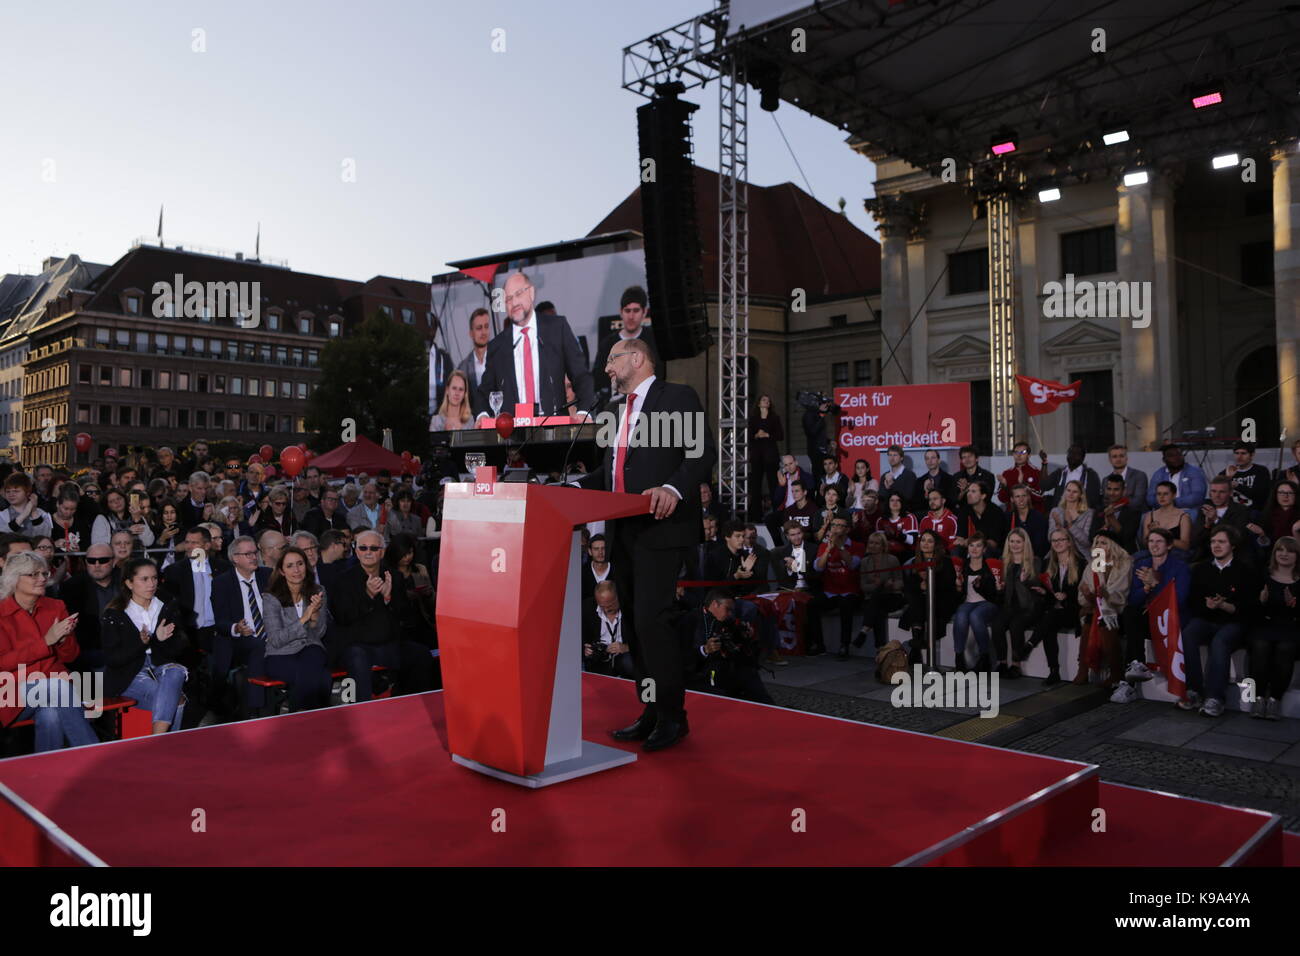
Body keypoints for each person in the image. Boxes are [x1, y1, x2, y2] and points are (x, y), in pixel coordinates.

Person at [576, 336, 714, 752]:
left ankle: (674, 717)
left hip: (660, 527)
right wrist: (565, 489)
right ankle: (651, 710)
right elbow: (609, 475)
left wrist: (673, 486)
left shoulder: (677, 396)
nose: (606, 369)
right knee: (636, 627)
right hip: (623, 532)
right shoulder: (615, 412)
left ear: (637, 357)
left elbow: (702, 452)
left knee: (655, 622)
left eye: (612, 360)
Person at [0, 551, 98, 752]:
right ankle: (93, 755)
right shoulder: (1, 613)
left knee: (51, 715)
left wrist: (62, 640)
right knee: (56, 687)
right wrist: (47, 642)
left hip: (54, 687)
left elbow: (70, 656)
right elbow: (4, 662)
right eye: (33, 574)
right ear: (14, 579)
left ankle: (46, 774)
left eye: (44, 574)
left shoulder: (56, 606)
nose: (42, 579)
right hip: (10, 692)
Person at [327, 529, 435, 701]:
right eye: (363, 548)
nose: (368, 552)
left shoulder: (394, 576)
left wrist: (388, 598)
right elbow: (342, 616)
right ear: (356, 551)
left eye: (373, 548)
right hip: (357, 645)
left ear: (382, 552)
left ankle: (410, 704)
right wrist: (368, 596)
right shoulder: (343, 580)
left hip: (388, 644)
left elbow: (406, 616)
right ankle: (363, 712)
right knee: (357, 658)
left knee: (421, 654)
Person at [475, 271, 596, 419]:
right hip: (514, 435)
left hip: (554, 430)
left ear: (531, 293)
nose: (514, 303)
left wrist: (583, 412)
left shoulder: (557, 328)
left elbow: (581, 376)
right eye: (508, 299)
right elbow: (483, 392)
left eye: (519, 294)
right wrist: (482, 415)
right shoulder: (497, 346)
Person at [101, 558, 189, 734]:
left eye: (154, 578)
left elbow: (180, 649)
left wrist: (161, 641)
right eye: (144, 579)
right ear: (129, 583)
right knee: (176, 699)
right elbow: (113, 659)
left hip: (162, 667)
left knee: (177, 671)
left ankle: (158, 742)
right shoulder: (115, 614)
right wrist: (143, 643)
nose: (151, 584)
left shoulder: (167, 606)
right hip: (128, 673)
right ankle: (165, 744)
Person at [1180, 526, 1258, 717]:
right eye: (1213, 541)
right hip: (1206, 618)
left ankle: (1215, 698)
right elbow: (1193, 601)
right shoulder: (1201, 568)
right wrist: (1208, 605)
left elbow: (1250, 607)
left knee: (1220, 641)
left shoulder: (1245, 570)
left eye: (1221, 542)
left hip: (1234, 622)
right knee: (1188, 634)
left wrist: (1226, 607)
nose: (1216, 545)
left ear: (1232, 545)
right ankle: (1194, 691)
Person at [1109, 528, 1191, 704]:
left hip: (1170, 618)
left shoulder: (1180, 567)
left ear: (1169, 545)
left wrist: (1156, 584)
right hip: (1146, 617)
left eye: (1159, 541)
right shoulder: (1142, 564)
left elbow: (1180, 599)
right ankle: (1137, 665)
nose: (1154, 545)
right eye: (1151, 541)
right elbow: (1133, 599)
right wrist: (1146, 588)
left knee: (1133, 621)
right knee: (1131, 613)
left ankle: (1128, 683)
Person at [261, 546, 334, 712]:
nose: (296, 570)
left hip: (310, 649)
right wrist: (304, 618)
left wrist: (315, 617)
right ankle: (315, 720)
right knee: (322, 677)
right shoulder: (271, 597)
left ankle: (298, 721)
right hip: (281, 655)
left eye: (300, 564)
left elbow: (319, 633)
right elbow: (276, 639)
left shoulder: (318, 591)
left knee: (313, 653)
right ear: (281, 571)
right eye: (290, 566)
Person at [210, 535, 273, 719]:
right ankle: (254, 709)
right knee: (257, 645)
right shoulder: (222, 583)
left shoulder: (267, 575)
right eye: (248, 554)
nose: (254, 557)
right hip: (238, 640)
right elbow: (220, 622)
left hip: (272, 635)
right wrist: (236, 628)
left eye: (255, 552)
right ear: (235, 558)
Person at [683, 590, 772, 704]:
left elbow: (744, 651)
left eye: (731, 610)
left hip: (728, 667)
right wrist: (704, 650)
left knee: (749, 675)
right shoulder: (690, 621)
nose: (730, 613)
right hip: (702, 672)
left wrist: (747, 637)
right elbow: (681, 656)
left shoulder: (729, 620)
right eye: (728, 609)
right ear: (715, 604)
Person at [1020, 529, 1083, 685]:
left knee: (1050, 617)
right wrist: (1044, 591)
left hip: (1073, 610)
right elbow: (1049, 592)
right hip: (1054, 610)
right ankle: (1053, 671)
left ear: (1069, 542)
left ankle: (1030, 644)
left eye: (1061, 540)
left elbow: (1083, 591)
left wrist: (1067, 596)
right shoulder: (1048, 563)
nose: (1058, 543)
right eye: (1054, 541)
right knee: (1049, 624)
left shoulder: (1080, 563)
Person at [1248, 537, 1299, 720]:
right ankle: (1258, 698)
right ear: (1274, 553)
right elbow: (1250, 608)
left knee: (1286, 648)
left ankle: (1275, 699)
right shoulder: (1263, 575)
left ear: (1297, 555)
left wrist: (1295, 605)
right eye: (1280, 550)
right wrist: (1261, 601)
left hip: (1291, 626)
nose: (1284, 554)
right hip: (1264, 624)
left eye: (1290, 551)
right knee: (1261, 646)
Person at [1076, 533, 1133, 689]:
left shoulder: (1124, 563)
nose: (1099, 545)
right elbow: (1082, 594)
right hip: (1095, 607)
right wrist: (1088, 595)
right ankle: (1083, 668)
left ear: (1113, 546)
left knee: (1105, 622)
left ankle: (1116, 672)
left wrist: (1106, 595)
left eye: (1104, 543)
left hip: (1116, 609)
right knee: (1089, 620)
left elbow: (1122, 593)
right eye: (1097, 542)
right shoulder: (1092, 565)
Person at [590, 285, 661, 402]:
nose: (631, 316)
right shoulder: (607, 343)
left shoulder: (652, 340)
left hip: (649, 401)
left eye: (636, 310)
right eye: (627, 311)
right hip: (614, 405)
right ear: (621, 312)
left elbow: (659, 373)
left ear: (644, 312)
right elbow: (598, 378)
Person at [992, 527, 1046, 677]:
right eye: (1012, 541)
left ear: (1025, 543)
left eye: (1018, 542)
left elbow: (1038, 586)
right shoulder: (1004, 562)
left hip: (1028, 607)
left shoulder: (1034, 561)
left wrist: (1026, 581)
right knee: (997, 625)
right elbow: (1001, 593)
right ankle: (1002, 662)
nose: (1015, 545)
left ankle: (1016, 665)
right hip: (1009, 606)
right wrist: (999, 589)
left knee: (1016, 624)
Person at [899, 530, 958, 666]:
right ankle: (918, 641)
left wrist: (931, 582)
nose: (925, 544)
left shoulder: (946, 562)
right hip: (920, 601)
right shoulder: (914, 561)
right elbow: (909, 588)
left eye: (930, 541)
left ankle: (915, 646)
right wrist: (921, 585)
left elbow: (949, 585)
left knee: (919, 605)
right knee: (917, 602)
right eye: (923, 540)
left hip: (942, 600)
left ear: (936, 545)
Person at [59, 543, 120, 672]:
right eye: (91, 561)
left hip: (124, 647)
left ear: (113, 561)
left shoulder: (126, 582)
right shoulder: (72, 587)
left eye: (103, 560)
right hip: (90, 652)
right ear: (85, 562)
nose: (96, 565)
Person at [810, 516, 862, 659]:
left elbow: (852, 564)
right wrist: (828, 550)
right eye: (833, 525)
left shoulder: (857, 546)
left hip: (849, 591)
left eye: (840, 525)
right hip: (830, 592)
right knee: (811, 604)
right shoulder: (823, 545)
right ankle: (819, 644)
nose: (836, 528)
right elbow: (818, 568)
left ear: (847, 529)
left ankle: (844, 645)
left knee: (846, 605)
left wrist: (840, 546)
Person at [951, 532, 1000, 672]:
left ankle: (984, 658)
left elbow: (994, 595)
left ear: (984, 549)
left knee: (975, 616)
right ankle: (959, 658)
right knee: (960, 616)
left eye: (978, 546)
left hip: (987, 603)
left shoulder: (990, 566)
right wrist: (959, 586)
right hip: (968, 602)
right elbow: (958, 595)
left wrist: (981, 586)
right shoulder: (963, 566)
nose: (974, 549)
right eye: (971, 545)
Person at [855, 531, 904, 649]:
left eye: (877, 543)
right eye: (871, 543)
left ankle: (865, 630)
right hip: (873, 599)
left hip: (891, 597)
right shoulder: (865, 562)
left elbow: (900, 583)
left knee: (877, 600)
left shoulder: (892, 560)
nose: (873, 545)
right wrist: (879, 585)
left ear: (883, 546)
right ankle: (881, 648)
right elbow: (863, 586)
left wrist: (891, 585)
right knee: (878, 608)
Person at [1190, 477, 1254, 563]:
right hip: (1206, 557)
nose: (1217, 495)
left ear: (1230, 493)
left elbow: (1237, 538)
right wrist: (1207, 526)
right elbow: (1195, 541)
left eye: (1222, 492)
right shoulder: (1204, 509)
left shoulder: (1241, 510)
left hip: (1234, 557)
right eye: (1213, 491)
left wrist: (1216, 519)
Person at [582, 580, 636, 679]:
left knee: (629, 663)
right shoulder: (586, 608)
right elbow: (574, 638)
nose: (606, 610)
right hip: (598, 661)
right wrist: (584, 649)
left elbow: (646, 640)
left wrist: (627, 647)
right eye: (602, 606)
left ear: (618, 597)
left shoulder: (632, 608)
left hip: (625, 658)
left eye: (610, 606)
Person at [1147, 444, 1208, 520]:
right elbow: (1150, 498)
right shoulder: (1159, 474)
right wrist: (1166, 505)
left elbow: (1197, 497)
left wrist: (1172, 502)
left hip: (1188, 511)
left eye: (1179, 454)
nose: (1176, 458)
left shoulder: (1195, 472)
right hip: (1164, 510)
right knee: (1146, 518)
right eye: (1171, 455)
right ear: (1164, 459)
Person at [1140, 481, 1193, 554]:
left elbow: (1185, 545)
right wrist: (1150, 536)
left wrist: (1163, 533)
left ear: (1174, 495)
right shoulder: (1149, 515)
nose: (1161, 497)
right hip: (1153, 551)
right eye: (1159, 494)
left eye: (1165, 494)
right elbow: (1145, 543)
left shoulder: (1183, 517)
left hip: (1175, 553)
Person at [1089, 475, 1139, 553]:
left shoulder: (1133, 512)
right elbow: (1091, 537)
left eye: (1116, 490)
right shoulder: (1099, 510)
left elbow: (1126, 538)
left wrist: (1111, 518)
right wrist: (1105, 527)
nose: (1112, 493)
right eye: (1109, 489)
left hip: (1124, 554)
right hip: (1102, 554)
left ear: (1124, 491)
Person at [954, 480, 1007, 554]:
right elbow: (960, 539)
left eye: (973, 491)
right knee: (956, 551)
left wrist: (971, 542)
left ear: (983, 496)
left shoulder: (996, 512)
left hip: (990, 550)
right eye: (968, 491)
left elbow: (993, 543)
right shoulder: (964, 511)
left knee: (988, 551)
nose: (969, 494)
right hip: (969, 548)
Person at [1044, 444, 1102, 510]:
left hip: (1082, 514)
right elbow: (1044, 486)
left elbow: (1093, 499)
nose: (1072, 456)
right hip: (1060, 513)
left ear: (1083, 457)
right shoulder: (1060, 472)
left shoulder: (1090, 475)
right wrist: (1044, 463)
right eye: (1070, 453)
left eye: (1076, 453)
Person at [1050, 480, 1093, 560]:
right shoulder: (1056, 511)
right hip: (1059, 554)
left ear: (1081, 495)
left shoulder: (1088, 513)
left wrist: (1071, 525)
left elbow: (1086, 542)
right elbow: (1050, 538)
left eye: (1075, 492)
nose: (1071, 494)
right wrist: (1058, 526)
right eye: (1068, 490)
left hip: (1081, 556)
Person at [1222, 442, 1271, 515]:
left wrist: (1238, 486)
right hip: (1232, 513)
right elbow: (1218, 495)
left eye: (1243, 453)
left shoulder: (1261, 471)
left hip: (1254, 511)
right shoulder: (1225, 472)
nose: (1239, 457)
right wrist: (1228, 478)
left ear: (1252, 455)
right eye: (1236, 453)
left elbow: (1261, 495)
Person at [997, 440, 1045, 513]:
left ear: (1029, 455)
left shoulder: (1037, 472)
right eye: (1016, 452)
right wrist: (1005, 485)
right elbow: (1002, 499)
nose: (1018, 455)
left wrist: (1023, 484)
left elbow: (1040, 496)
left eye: (1023, 452)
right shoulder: (1007, 473)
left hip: (1033, 515)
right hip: (1012, 515)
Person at [1, 473, 53, 538]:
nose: (11, 494)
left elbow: (45, 536)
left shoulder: (42, 514)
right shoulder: (2, 515)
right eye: (8, 491)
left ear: (27, 492)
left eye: (16, 491)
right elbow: (3, 536)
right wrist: (24, 514)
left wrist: (34, 511)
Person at [1006, 484, 1050, 558]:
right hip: (1013, 558)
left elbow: (1042, 545)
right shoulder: (1007, 518)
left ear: (1028, 497)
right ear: (1012, 499)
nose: (1021, 499)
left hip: (1034, 558)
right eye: (1017, 496)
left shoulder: (1038, 517)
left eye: (1024, 496)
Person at [455, 307, 492, 393]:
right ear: (471, 334)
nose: (483, 332)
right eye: (479, 328)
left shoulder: (500, 360)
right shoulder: (463, 368)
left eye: (486, 327)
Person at [875, 491, 918, 560]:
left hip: (906, 554)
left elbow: (912, 541)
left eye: (898, 500)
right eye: (892, 500)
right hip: (886, 554)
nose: (895, 503)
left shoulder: (909, 517)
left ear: (902, 503)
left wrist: (895, 534)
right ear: (888, 503)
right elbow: (879, 542)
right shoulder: (881, 520)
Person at [1106, 444, 1148, 513]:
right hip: (1114, 515)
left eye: (1121, 456)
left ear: (1126, 458)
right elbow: (1106, 501)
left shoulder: (1139, 475)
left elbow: (1138, 501)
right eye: (1114, 456)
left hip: (1137, 515)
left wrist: (1116, 504)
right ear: (1110, 460)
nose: (1118, 459)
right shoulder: (1106, 480)